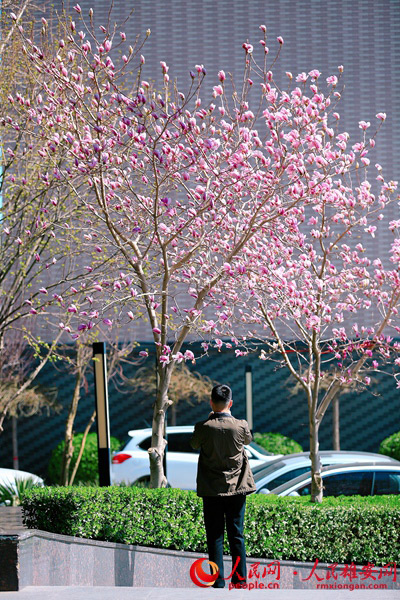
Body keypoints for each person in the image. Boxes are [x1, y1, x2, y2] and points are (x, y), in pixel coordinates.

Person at [190, 384, 256, 588]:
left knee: (215, 536)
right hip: (237, 488)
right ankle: (240, 581)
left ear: (211, 402)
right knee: (237, 534)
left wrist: (211, 418)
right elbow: (248, 440)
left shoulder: (203, 427)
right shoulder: (241, 425)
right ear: (231, 403)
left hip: (211, 489)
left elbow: (193, 444)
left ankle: (217, 582)